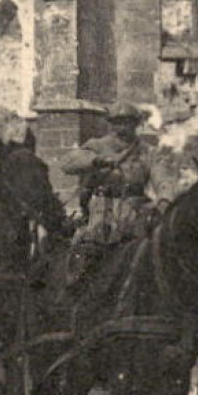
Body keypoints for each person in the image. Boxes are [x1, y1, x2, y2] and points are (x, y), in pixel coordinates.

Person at [60, 102, 154, 288]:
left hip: (134, 213)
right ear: (111, 124)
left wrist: (166, 200)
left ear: (136, 125)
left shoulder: (146, 151)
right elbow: (67, 163)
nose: (123, 127)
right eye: (118, 122)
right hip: (101, 214)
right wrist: (96, 161)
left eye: (128, 122)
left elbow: (162, 177)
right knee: (86, 261)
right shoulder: (97, 145)